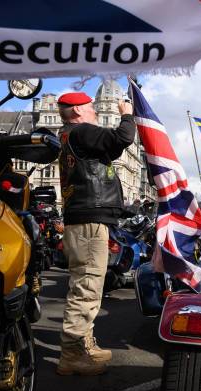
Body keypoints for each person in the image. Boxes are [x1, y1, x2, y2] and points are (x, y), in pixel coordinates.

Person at [56, 91, 135, 376]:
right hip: (89, 219)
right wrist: (127, 113)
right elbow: (121, 139)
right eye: (92, 108)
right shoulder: (82, 131)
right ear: (78, 110)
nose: (96, 112)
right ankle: (73, 354)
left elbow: (109, 150)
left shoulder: (71, 135)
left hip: (83, 218)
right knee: (87, 286)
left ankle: (85, 344)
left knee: (86, 284)